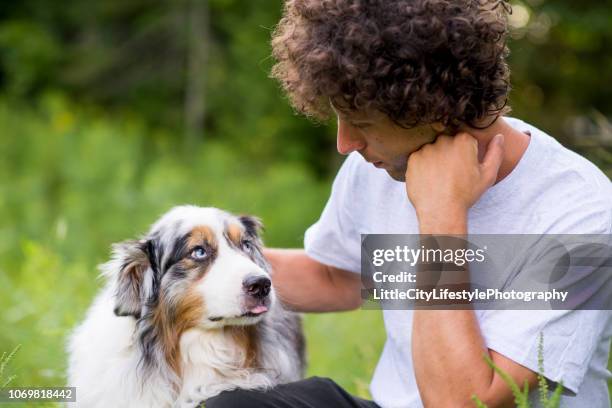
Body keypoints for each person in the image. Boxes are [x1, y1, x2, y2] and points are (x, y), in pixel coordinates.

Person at [206, 0, 612, 407]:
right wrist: (185, 269)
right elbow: (338, 278)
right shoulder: (380, 164)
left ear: (434, 108)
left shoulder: (583, 215)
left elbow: (460, 403)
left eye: (362, 123)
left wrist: (441, 214)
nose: (346, 144)